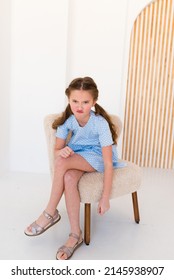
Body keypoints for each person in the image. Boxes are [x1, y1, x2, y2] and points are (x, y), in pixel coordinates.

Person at [24, 76, 125, 260]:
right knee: (69, 177)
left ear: (94, 102)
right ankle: (75, 234)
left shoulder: (100, 123)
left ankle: (50, 213)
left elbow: (108, 162)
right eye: (75, 101)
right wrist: (61, 152)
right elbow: (56, 151)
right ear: (69, 100)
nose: (80, 106)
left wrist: (105, 198)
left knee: (63, 164)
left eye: (85, 102)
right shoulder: (67, 121)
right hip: (79, 156)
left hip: (98, 158)